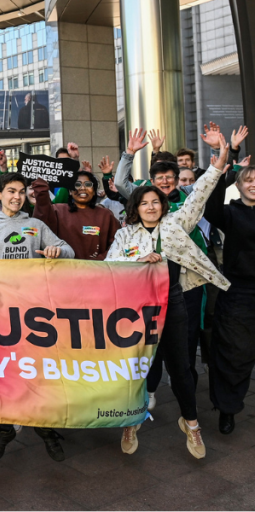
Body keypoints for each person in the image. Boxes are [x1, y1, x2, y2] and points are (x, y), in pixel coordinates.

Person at [106, 131, 231, 460]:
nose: (150, 206)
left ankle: (191, 424)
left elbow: (200, 193)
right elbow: (107, 268)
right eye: (144, 202)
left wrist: (221, 154)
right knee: (137, 369)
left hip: (173, 304)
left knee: (181, 368)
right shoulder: (125, 235)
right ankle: (131, 421)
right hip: (135, 312)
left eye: (155, 202)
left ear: (163, 205)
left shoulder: (177, 224)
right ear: (136, 207)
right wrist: (135, 259)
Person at [0, 171, 72, 462]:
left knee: (37, 372)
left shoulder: (36, 226)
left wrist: (56, 251)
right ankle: (4, 430)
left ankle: (45, 429)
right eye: (11, 191)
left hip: (34, 314)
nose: (16, 196)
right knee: (3, 375)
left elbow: (69, 251)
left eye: (21, 192)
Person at [203, 159, 255, 435]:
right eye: (248, 180)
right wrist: (226, 167)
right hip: (239, 292)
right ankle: (227, 408)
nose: (253, 184)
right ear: (239, 185)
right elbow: (210, 209)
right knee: (235, 352)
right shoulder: (230, 213)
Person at [31, 170, 120, 260]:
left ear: (94, 192)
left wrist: (99, 260)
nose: (82, 188)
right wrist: (41, 192)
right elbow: (40, 226)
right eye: (77, 184)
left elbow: (118, 243)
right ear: (70, 191)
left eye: (88, 184)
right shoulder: (57, 210)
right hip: (64, 270)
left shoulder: (105, 215)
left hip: (97, 270)